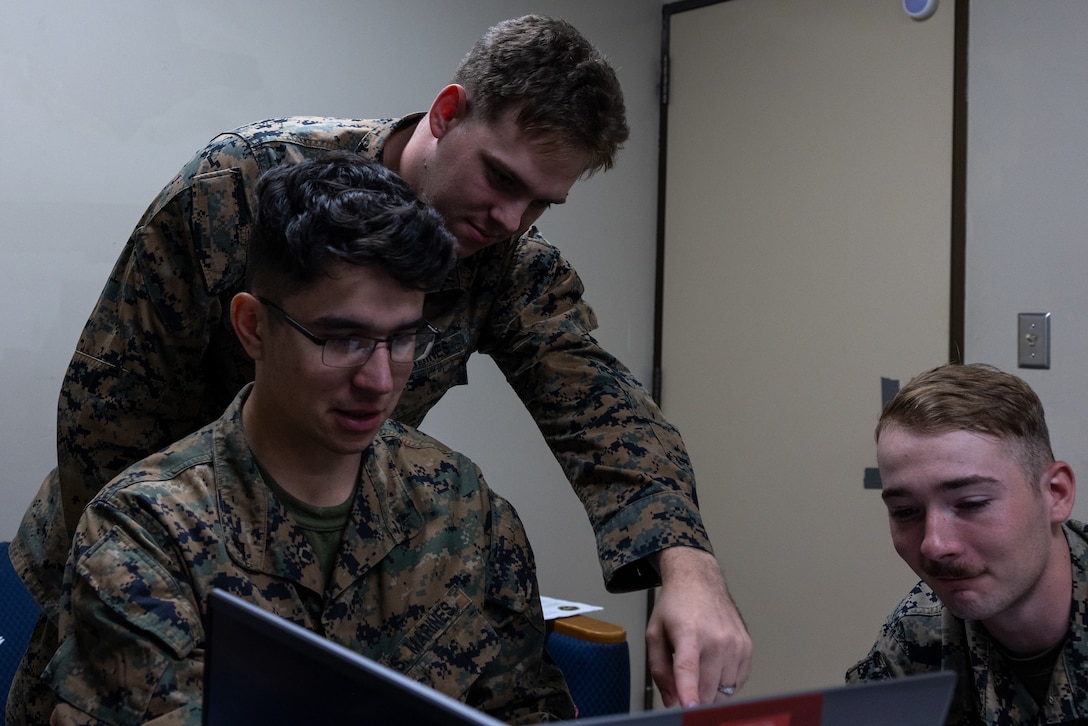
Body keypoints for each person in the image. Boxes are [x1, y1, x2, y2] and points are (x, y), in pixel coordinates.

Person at [8, 14, 750, 722]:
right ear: (448, 112)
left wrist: (687, 564)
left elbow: (600, 407)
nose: (509, 220)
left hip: (341, 578)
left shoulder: (503, 266)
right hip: (152, 574)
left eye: (539, 204)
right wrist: (147, 575)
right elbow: (108, 419)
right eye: (500, 178)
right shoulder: (238, 189)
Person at [38, 152, 575, 725]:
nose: (379, 380)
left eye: (402, 339)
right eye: (343, 340)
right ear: (253, 327)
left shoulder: (464, 506)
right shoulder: (145, 533)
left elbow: (527, 710)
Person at [846, 363, 1088, 725]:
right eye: (905, 511)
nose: (934, 545)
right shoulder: (918, 633)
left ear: (1056, 494)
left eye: (971, 504)